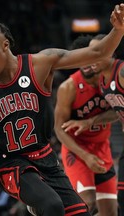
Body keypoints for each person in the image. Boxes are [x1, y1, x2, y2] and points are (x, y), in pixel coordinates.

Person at [0, 4, 124, 216]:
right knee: (51, 206)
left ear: (5, 45)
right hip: (9, 163)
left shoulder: (40, 65)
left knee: (80, 212)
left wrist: (118, 30)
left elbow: (97, 52)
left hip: (45, 159)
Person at [54, 35, 118, 215]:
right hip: (77, 150)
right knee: (87, 204)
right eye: (82, 58)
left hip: (102, 147)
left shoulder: (108, 79)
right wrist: (86, 156)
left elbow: (118, 110)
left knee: (110, 213)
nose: (87, 63)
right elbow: (59, 129)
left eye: (91, 58)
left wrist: (90, 121)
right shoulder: (69, 88)